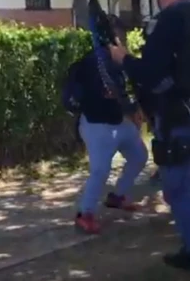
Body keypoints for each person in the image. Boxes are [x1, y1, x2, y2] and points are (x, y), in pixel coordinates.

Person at [109, 0, 190, 281]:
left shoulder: (170, 19)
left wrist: (124, 60)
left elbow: (150, 72)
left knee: (180, 190)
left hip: (180, 116)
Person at [62, 15, 148, 235]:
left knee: (139, 156)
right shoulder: (91, 64)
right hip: (96, 124)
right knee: (100, 169)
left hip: (119, 121)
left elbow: (126, 91)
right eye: (121, 35)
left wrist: (133, 109)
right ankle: (85, 214)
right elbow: (78, 97)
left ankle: (118, 196)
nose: (125, 39)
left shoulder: (120, 63)